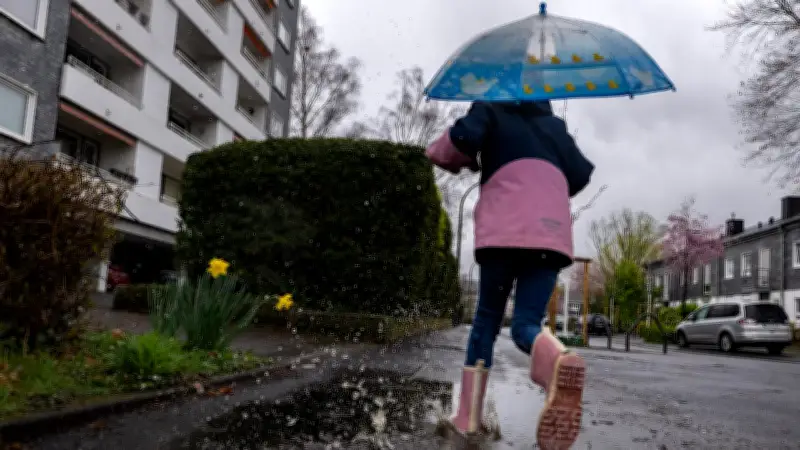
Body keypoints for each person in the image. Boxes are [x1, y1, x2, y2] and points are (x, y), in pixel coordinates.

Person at [426, 100, 594, 450]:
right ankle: (558, 359)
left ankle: (468, 418)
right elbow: (579, 174)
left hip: (503, 233)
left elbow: (454, 146)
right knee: (525, 324)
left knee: (486, 320)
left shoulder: (490, 108)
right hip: (550, 234)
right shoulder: (555, 126)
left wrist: (459, 155)